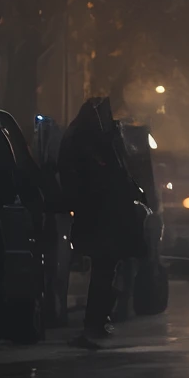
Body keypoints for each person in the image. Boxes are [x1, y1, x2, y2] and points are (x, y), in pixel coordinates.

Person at [58, 94, 143, 350]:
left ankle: (97, 321)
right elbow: (103, 181)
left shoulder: (90, 141)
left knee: (105, 272)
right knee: (104, 272)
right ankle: (95, 323)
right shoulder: (90, 144)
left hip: (102, 220)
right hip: (102, 220)